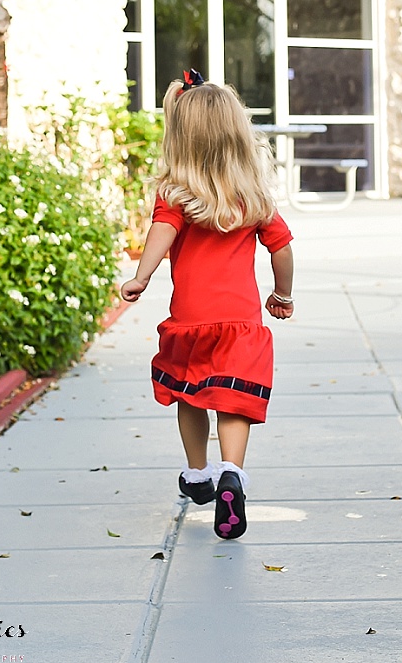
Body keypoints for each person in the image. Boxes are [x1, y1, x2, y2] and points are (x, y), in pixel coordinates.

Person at [120, 69, 294, 541]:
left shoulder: (176, 192)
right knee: (234, 400)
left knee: (190, 394)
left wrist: (142, 275)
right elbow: (281, 249)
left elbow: (163, 232)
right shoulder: (253, 196)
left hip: (191, 321)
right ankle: (231, 473)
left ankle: (198, 474)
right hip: (240, 322)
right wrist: (282, 294)